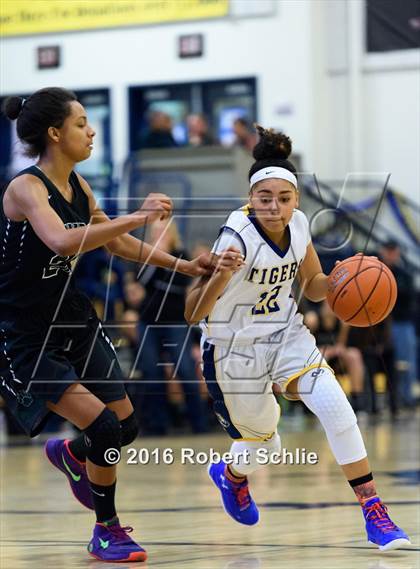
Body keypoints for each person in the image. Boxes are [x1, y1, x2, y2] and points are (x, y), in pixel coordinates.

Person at [0, 87, 243, 563]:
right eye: (80, 123)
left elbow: (118, 245)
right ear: (54, 133)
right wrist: (137, 215)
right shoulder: (24, 187)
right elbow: (64, 241)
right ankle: (106, 531)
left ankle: (73, 459)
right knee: (105, 428)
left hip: (71, 316)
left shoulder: (80, 186)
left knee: (126, 426)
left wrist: (185, 266)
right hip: (26, 332)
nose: (91, 131)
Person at [185, 126, 410, 551]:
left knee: (337, 408)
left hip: (287, 336)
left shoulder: (301, 225)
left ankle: (374, 512)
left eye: (284, 199)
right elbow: (192, 312)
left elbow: (313, 283)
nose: (274, 207)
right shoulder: (235, 236)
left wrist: (347, 281)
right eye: (264, 198)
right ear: (251, 198)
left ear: (296, 200)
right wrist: (220, 275)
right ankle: (231, 475)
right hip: (233, 350)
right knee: (266, 445)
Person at [135, 219, 208, 435]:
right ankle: (157, 425)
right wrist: (154, 260)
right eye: (155, 233)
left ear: (172, 234)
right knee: (151, 372)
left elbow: (176, 285)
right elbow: (140, 286)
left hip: (175, 321)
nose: (159, 237)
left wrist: (164, 259)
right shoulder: (145, 257)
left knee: (185, 370)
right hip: (148, 321)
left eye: (163, 233)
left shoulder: (183, 256)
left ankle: (199, 424)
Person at [379, 240, 418, 408]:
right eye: (387, 250)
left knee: (405, 362)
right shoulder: (377, 271)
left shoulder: (405, 273)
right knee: (387, 363)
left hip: (401, 324)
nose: (390, 254)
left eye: (392, 251)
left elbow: (408, 296)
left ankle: (406, 397)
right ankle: (392, 399)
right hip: (381, 324)